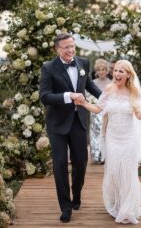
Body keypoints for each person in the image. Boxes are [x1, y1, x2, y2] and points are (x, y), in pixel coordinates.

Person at [74, 59, 141, 224]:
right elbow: (98, 109)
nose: (117, 74)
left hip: (129, 139)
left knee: (128, 172)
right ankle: (117, 204)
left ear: (128, 75)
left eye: (121, 71)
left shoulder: (134, 92)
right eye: (116, 70)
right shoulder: (108, 89)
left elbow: (139, 116)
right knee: (114, 172)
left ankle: (127, 209)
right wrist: (84, 103)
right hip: (112, 138)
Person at [39, 33, 101, 223]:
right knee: (59, 165)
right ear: (57, 49)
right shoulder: (48, 67)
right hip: (57, 123)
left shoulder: (83, 62)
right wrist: (68, 95)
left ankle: (77, 194)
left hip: (79, 119)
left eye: (72, 46)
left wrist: (106, 98)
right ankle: (65, 207)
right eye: (66, 47)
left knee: (81, 162)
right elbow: (45, 96)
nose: (70, 50)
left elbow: (88, 84)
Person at [89, 58, 111, 163]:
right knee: (95, 133)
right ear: (96, 71)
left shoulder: (111, 83)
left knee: (105, 132)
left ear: (107, 71)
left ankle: (105, 156)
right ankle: (96, 156)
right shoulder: (92, 83)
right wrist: (91, 100)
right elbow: (87, 95)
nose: (101, 71)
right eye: (99, 69)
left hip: (107, 112)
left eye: (103, 69)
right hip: (95, 112)